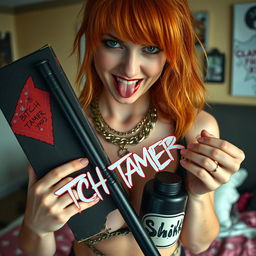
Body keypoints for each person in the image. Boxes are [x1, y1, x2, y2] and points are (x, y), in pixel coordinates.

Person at [18, 0, 245, 255]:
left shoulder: (193, 127)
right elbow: (35, 249)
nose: (129, 69)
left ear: (169, 53)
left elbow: (198, 243)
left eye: (150, 48)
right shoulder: (61, 128)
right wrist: (38, 227)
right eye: (113, 43)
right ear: (92, 41)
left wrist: (199, 194)